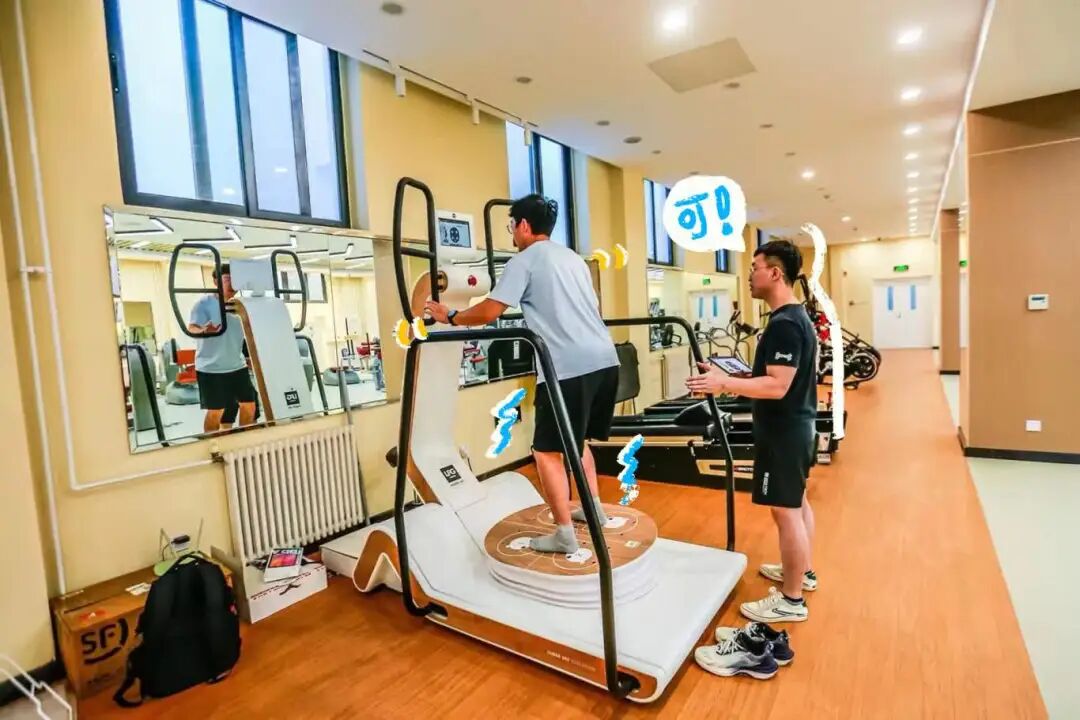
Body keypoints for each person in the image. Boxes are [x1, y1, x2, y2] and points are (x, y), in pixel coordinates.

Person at [424, 194, 619, 554]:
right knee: (576, 441)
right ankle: (593, 510)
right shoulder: (573, 259)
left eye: (512, 226)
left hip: (567, 366)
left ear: (524, 225)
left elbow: (488, 312)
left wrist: (449, 316)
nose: (512, 233)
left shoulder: (525, 260)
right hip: (605, 359)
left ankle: (564, 534)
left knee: (545, 451)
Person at [686, 240, 818, 623]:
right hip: (795, 427)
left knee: (786, 511)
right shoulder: (793, 318)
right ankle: (802, 571)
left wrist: (724, 383)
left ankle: (791, 600)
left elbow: (777, 386)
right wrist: (733, 374)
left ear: (775, 273)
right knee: (797, 504)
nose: (748, 276)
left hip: (784, 432)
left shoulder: (785, 324)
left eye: (754, 268)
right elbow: (775, 376)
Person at [187, 264, 258, 434]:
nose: (232, 284)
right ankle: (212, 444)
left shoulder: (241, 306)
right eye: (227, 280)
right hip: (211, 368)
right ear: (215, 281)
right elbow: (192, 327)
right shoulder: (203, 304)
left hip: (237, 365)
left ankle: (242, 440)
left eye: (235, 280)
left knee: (249, 405)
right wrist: (204, 330)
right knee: (216, 411)